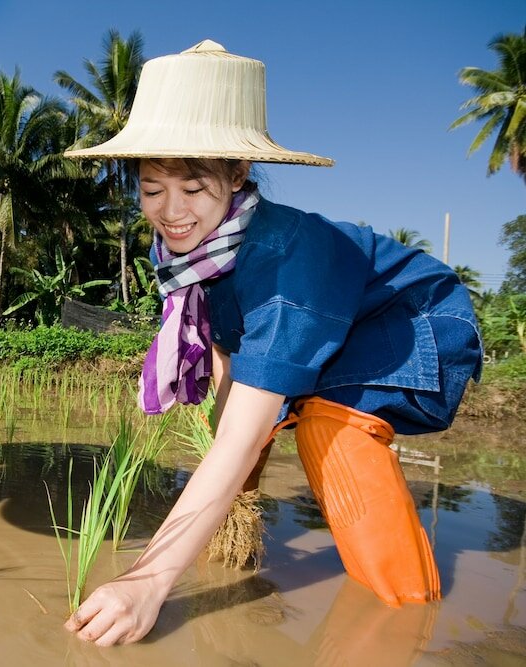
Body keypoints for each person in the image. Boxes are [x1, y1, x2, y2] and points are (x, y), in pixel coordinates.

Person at [62, 40, 482, 645]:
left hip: (418, 327)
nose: (172, 212)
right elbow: (231, 361)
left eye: (194, 188)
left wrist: (148, 580)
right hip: (342, 330)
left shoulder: (289, 260)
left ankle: (403, 617)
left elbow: (246, 425)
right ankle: (233, 547)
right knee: (237, 420)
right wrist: (230, 460)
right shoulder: (198, 257)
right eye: (152, 191)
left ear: (238, 175)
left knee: (326, 423)